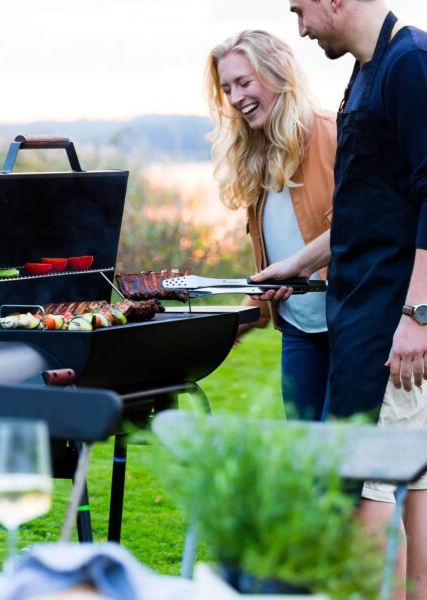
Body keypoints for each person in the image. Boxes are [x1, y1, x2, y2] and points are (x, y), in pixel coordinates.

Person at [254, 1, 427, 596]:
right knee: (413, 493)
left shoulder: (410, 63)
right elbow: (366, 211)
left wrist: (417, 316)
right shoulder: (370, 67)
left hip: (387, 329)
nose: (299, 27)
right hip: (371, 320)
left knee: (367, 504)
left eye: (302, 10)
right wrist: (296, 265)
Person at [204, 30, 336, 420]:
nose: (236, 98)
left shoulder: (333, 134)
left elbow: (364, 228)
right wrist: (237, 324)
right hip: (299, 331)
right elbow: (275, 263)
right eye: (227, 88)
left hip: (350, 327)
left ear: (280, 74)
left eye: (244, 82)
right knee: (305, 458)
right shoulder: (258, 158)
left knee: (349, 463)